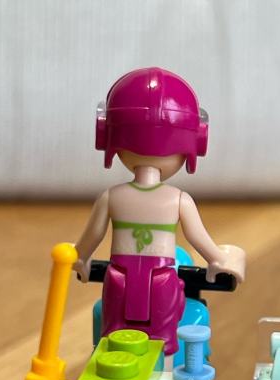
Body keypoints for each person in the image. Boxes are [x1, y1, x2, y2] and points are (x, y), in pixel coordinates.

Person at [73, 67, 245, 356]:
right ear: (197, 141)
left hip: (118, 279)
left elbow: (91, 238)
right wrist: (219, 261)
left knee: (111, 338)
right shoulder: (179, 200)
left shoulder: (111, 196)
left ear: (104, 134)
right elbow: (199, 239)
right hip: (163, 283)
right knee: (165, 343)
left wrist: (80, 260)